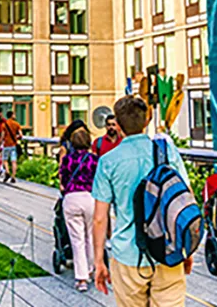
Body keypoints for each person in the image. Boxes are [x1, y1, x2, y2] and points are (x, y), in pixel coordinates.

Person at [92, 96, 193, 305]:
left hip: (128, 255)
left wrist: (99, 261)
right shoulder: (167, 152)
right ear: (147, 120)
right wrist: (186, 246)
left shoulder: (108, 162)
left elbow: (100, 219)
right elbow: (185, 199)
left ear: (118, 126)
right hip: (168, 250)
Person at [59, 129, 98, 292]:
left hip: (72, 198)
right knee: (91, 236)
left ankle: (81, 278)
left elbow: (62, 179)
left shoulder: (67, 159)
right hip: (90, 198)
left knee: (77, 240)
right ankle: (92, 269)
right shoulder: (95, 160)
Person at [0, 111, 23, 184]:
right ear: (12, 115)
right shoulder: (17, 124)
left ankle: (7, 171)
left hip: (6, 145)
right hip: (13, 145)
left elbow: (2, 136)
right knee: (14, 161)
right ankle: (13, 176)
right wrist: (16, 138)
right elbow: (21, 135)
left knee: (5, 160)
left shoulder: (4, 125)